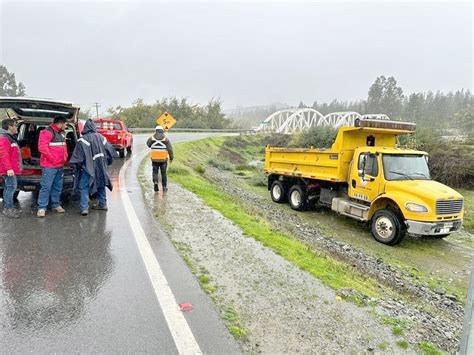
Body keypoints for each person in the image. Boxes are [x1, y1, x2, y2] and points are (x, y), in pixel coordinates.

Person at [70, 119, 115, 216]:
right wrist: (105, 162)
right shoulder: (101, 138)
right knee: (101, 184)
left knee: (84, 186)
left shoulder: (82, 140)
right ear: (94, 127)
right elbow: (110, 152)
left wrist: (77, 168)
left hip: (87, 168)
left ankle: (84, 208)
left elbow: (77, 158)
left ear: (85, 128)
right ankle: (103, 204)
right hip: (100, 166)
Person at [37, 116, 69, 218]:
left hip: (60, 165)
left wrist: (65, 158)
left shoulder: (62, 133)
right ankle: (42, 208)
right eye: (65, 124)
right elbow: (42, 148)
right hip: (49, 166)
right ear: (60, 123)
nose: (66, 125)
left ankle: (56, 205)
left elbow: (64, 147)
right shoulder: (47, 132)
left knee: (57, 186)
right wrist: (53, 159)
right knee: (46, 187)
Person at [0, 119, 22, 219]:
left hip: (8, 169)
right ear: (10, 127)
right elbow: (3, 155)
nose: (16, 128)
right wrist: (9, 169)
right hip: (7, 170)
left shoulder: (8, 137)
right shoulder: (4, 138)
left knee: (8, 188)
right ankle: (8, 209)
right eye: (15, 126)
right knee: (11, 188)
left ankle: (8, 207)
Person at [146, 125, 173, 192]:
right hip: (163, 160)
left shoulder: (152, 138)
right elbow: (170, 149)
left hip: (154, 159)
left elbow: (148, 144)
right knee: (163, 173)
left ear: (156, 130)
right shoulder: (166, 139)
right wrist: (171, 158)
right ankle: (164, 187)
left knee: (155, 171)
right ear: (162, 131)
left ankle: (155, 182)